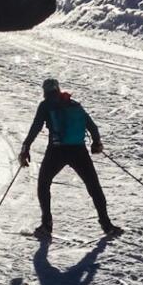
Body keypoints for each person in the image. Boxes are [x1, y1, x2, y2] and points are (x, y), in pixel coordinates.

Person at [20, 76, 121, 242]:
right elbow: (92, 127)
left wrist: (26, 148)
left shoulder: (45, 105)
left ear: (45, 92)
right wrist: (96, 143)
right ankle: (107, 224)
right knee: (93, 185)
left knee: (44, 183)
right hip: (78, 150)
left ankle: (47, 224)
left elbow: (36, 127)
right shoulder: (74, 104)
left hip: (57, 151)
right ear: (58, 89)